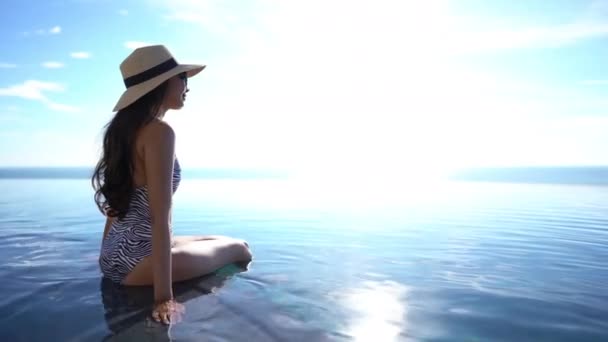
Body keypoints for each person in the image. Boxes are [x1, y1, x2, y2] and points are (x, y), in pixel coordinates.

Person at [92, 45, 252, 325]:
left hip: (113, 256)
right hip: (138, 263)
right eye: (183, 79)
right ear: (162, 84)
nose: (187, 87)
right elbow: (160, 216)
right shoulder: (159, 132)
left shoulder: (122, 132)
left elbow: (115, 206)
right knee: (241, 249)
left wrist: (105, 254)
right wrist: (163, 297)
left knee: (217, 240)